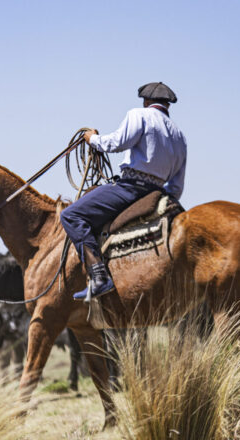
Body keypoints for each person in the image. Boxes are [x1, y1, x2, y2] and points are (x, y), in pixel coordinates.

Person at [60, 82, 187, 301]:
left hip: (130, 188)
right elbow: (176, 185)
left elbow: (117, 143)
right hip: (158, 193)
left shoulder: (139, 115)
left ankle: (99, 276)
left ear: (146, 101)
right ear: (167, 105)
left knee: (71, 215)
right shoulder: (179, 135)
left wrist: (92, 140)